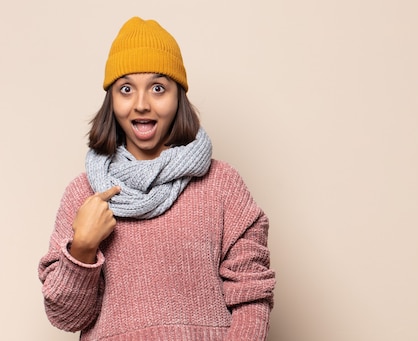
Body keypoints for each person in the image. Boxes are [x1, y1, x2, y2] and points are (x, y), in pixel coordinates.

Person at [38, 16, 275, 341]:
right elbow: (66, 316)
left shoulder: (222, 184)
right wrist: (82, 248)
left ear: (178, 97)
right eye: (126, 89)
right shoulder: (84, 194)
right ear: (112, 101)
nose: (141, 104)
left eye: (158, 88)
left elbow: (252, 296)